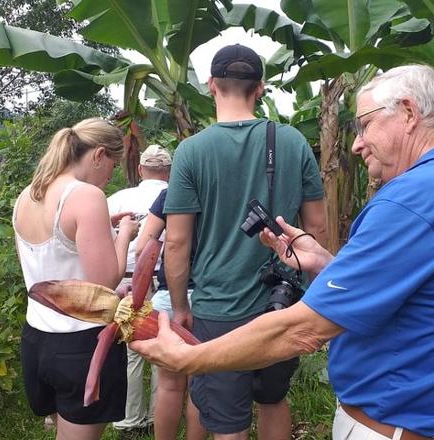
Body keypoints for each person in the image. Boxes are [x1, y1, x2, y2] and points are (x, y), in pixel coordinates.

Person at [131, 64, 434, 440]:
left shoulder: (418, 197)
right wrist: (327, 264)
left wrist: (188, 358)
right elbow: (421, 293)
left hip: (397, 423)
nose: (356, 143)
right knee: (272, 399)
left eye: (365, 124)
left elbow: (303, 330)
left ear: (410, 113)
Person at [161, 44, 327, 440]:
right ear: (261, 88)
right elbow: (317, 230)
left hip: (218, 308)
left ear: (211, 86)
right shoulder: (292, 142)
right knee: (273, 400)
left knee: (226, 422)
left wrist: (182, 306)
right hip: (283, 303)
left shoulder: (191, 152)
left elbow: (177, 243)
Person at [13, 118, 139, 440]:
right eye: (112, 165)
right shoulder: (87, 196)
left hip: (37, 339)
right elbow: (105, 281)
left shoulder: (29, 194)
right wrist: (123, 234)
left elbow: (47, 262)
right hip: (81, 344)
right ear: (98, 155)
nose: (111, 176)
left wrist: (103, 227)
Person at [107, 144, 172, 439]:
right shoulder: (178, 194)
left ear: (141, 169)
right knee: (162, 349)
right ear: (169, 171)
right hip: (163, 281)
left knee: (130, 350)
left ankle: (130, 420)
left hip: (124, 281)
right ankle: (161, 418)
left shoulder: (121, 197)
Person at [135, 188, 205, 440]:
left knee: (169, 383)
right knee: (200, 380)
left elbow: (143, 247)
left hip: (168, 295)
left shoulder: (171, 193)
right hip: (208, 295)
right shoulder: (220, 188)